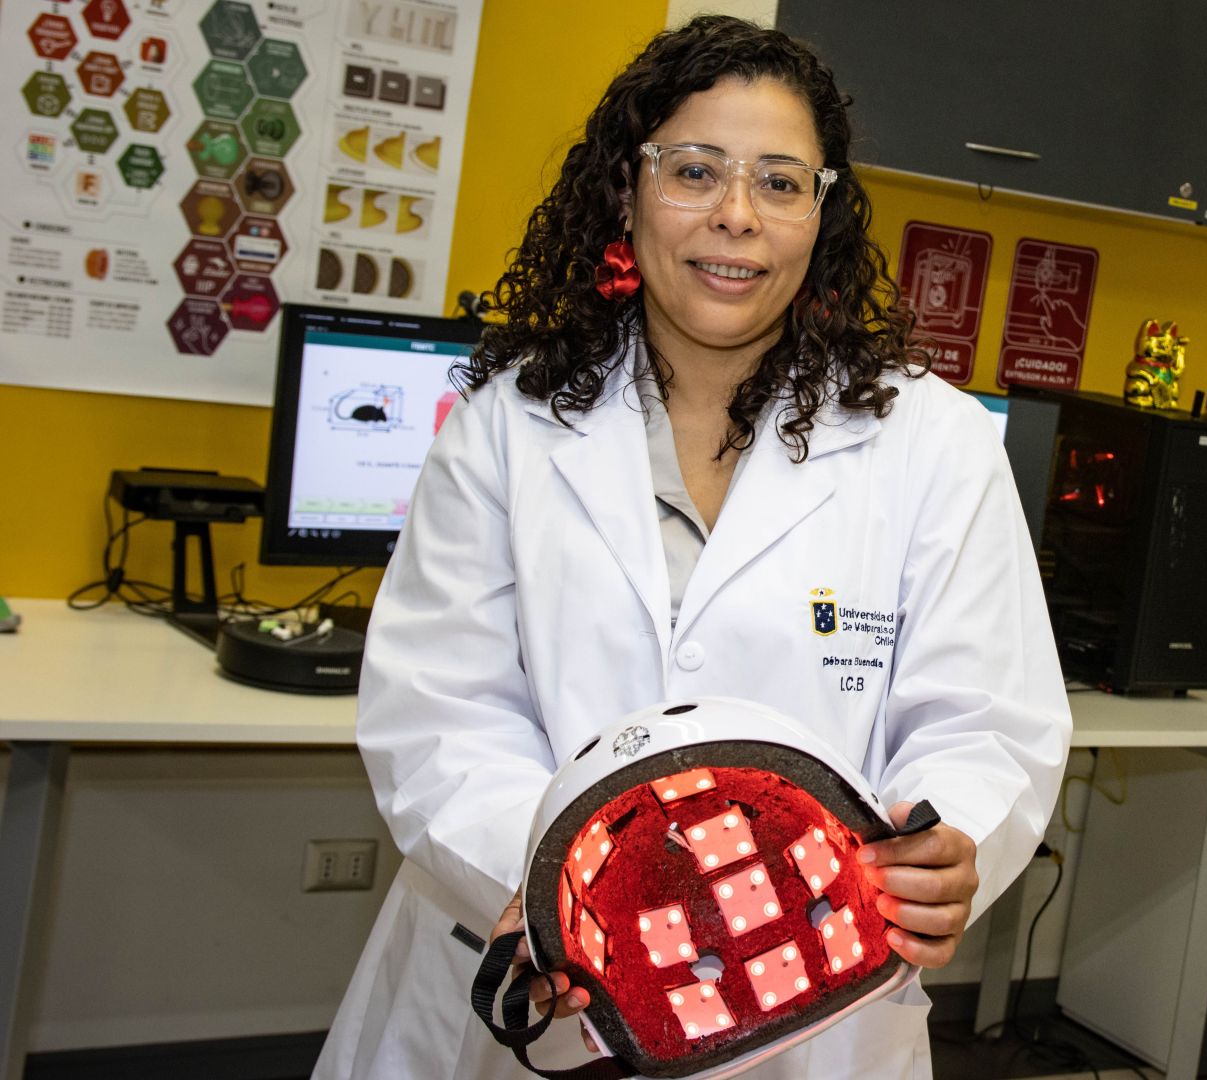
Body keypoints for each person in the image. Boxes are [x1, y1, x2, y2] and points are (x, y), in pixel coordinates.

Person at [311, 15, 1070, 1080]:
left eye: (780, 182)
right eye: (696, 170)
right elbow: (439, 711)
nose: (737, 216)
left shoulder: (932, 443)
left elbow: (986, 722)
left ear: (822, 214)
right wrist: (573, 899)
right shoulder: (508, 425)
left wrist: (951, 844)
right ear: (627, 192)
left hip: (810, 990)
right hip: (537, 979)